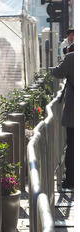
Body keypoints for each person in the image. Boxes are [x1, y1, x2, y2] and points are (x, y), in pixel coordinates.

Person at [52, 44, 74, 189]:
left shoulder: (72, 57)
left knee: (72, 144)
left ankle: (71, 179)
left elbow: (57, 73)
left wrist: (64, 58)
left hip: (74, 111)